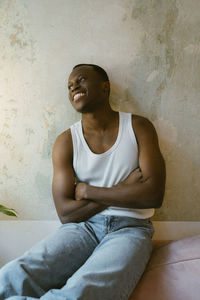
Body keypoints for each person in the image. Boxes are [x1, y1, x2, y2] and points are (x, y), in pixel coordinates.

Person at [0, 64, 166, 300]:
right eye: (69, 85)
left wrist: (88, 191)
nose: (74, 86)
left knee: (81, 292)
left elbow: (153, 195)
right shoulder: (66, 141)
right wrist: (123, 188)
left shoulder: (139, 127)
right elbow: (66, 214)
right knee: (12, 275)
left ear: (105, 87)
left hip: (131, 229)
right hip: (81, 227)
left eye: (80, 80)